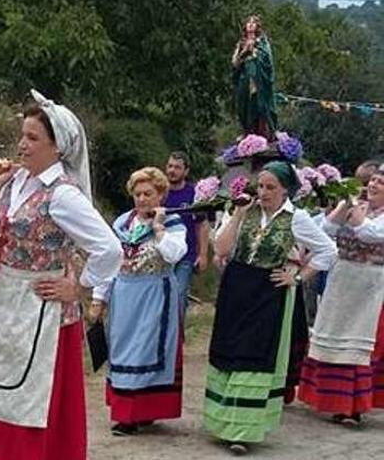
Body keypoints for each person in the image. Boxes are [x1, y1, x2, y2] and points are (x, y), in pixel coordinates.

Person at [0, 90, 123, 460]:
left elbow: (109, 249)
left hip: (39, 311)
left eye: (32, 138)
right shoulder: (14, 183)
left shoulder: (62, 195)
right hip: (0, 304)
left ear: (57, 147)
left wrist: (77, 286)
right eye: (22, 135)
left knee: (28, 402)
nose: (21, 144)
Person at [204, 161, 336, 455]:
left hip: (268, 290)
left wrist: (298, 276)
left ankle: (242, 430)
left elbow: (328, 250)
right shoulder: (246, 212)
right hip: (237, 286)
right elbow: (222, 249)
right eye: (260, 186)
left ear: (285, 189)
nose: (262, 192)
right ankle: (220, 423)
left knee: (254, 354)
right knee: (228, 349)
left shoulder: (296, 218)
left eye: (270, 187)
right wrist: (237, 214)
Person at [299, 165, 384, 425]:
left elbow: (371, 233)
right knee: (332, 335)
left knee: (356, 342)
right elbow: (325, 231)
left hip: (369, 283)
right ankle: (328, 399)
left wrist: (355, 214)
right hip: (341, 278)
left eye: (381, 182)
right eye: (373, 180)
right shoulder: (356, 206)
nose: (373, 185)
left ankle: (352, 407)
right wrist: (343, 202)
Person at [105, 167, 186, 436]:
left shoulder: (173, 223)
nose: (142, 199)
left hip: (155, 294)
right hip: (125, 295)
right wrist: (98, 297)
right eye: (138, 194)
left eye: (148, 193)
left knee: (145, 348)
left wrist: (159, 228)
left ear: (161, 195)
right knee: (123, 348)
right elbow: (110, 262)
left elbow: (174, 255)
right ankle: (132, 409)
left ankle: (131, 416)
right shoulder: (121, 224)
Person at [163, 151, 209, 316]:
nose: (172, 170)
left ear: (186, 171)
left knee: (179, 294)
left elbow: (202, 224)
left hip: (186, 255)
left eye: (177, 167)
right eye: (170, 166)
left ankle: (177, 336)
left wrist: (202, 254)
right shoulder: (159, 193)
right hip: (161, 254)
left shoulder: (193, 194)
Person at [232, 15, 277, 138]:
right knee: (244, 105)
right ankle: (247, 131)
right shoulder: (241, 43)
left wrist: (256, 52)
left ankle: (263, 133)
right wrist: (244, 52)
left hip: (259, 80)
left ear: (258, 26)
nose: (251, 24)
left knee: (259, 105)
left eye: (253, 23)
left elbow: (268, 60)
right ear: (245, 26)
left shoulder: (262, 42)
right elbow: (235, 63)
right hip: (245, 78)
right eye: (248, 23)